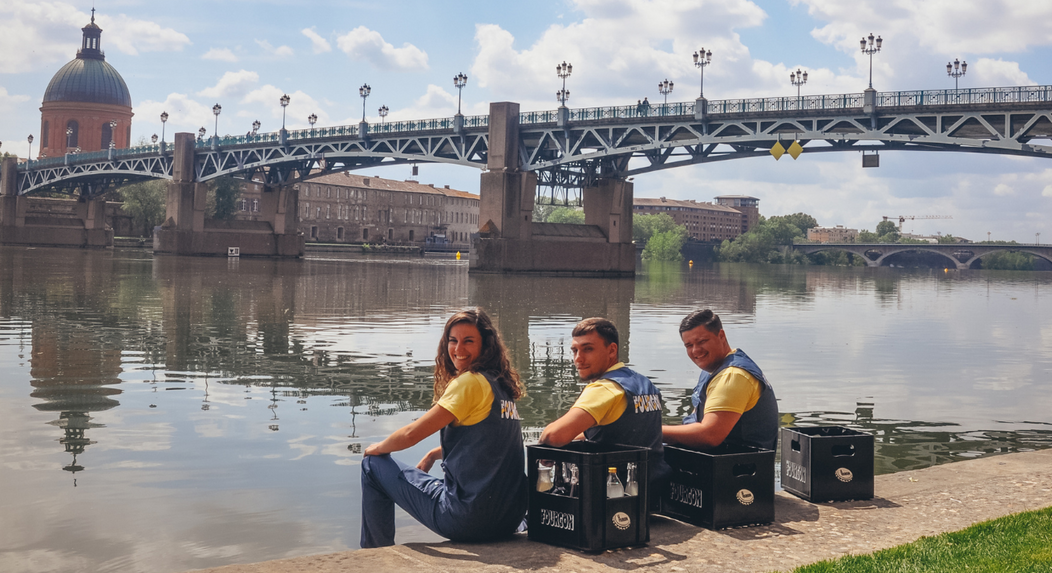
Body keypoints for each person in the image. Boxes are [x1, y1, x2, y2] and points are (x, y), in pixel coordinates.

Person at [360, 308, 527, 548]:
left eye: (468, 341)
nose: (458, 350)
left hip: (468, 521)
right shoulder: (501, 386)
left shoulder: (469, 382)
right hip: (508, 520)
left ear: (486, 345)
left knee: (371, 466)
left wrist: (378, 448)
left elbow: (411, 434)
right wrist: (433, 454)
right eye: (453, 341)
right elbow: (488, 442)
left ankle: (375, 553)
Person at [539, 317, 671, 491]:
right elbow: (619, 433)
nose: (578, 359)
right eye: (575, 351)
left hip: (611, 493)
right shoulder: (647, 385)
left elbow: (554, 435)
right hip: (651, 488)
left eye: (588, 349)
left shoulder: (604, 388)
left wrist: (544, 444)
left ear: (612, 350)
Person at [662, 309, 778, 450]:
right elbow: (695, 419)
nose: (695, 350)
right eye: (689, 345)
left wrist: (651, 431)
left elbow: (710, 435)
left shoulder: (733, 375)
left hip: (737, 467)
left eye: (702, 341)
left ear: (721, 335)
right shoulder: (714, 369)